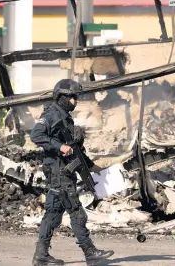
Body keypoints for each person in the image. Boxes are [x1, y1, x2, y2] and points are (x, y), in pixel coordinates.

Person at [29, 79, 114, 266]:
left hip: (62, 171)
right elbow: (36, 135)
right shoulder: (52, 114)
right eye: (73, 97)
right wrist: (60, 147)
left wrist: (90, 165)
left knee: (53, 214)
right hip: (59, 171)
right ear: (62, 97)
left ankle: (41, 256)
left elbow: (73, 147)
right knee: (76, 211)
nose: (75, 101)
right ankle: (90, 252)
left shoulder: (64, 116)